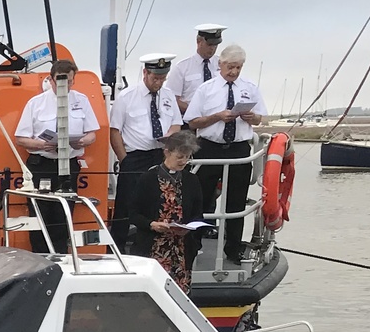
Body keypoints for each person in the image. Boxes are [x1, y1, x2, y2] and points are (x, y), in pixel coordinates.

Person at [183, 43, 268, 266]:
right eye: (230, 67)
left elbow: (261, 117)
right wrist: (217, 117)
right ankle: (194, 246)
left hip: (239, 149)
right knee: (200, 200)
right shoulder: (206, 89)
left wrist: (252, 118)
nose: (234, 72)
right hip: (210, 147)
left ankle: (232, 250)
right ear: (220, 64)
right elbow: (192, 121)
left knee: (236, 203)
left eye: (238, 68)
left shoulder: (249, 87)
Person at [12, 57, 100, 255]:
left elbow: (93, 134)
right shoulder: (36, 103)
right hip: (42, 164)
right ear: (50, 80)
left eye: (69, 81)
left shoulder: (81, 100)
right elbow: (21, 138)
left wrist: (83, 141)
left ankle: (62, 257)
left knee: (64, 215)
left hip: (69, 164)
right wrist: (42, 144)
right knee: (40, 216)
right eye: (61, 81)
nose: (65, 85)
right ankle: (40, 257)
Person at [108, 53, 182, 250]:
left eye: (162, 78)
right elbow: (115, 130)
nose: (158, 82)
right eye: (155, 78)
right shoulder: (127, 97)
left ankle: (153, 246)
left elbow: (176, 123)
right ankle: (117, 247)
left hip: (161, 155)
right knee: (125, 205)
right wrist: (124, 159)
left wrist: (170, 136)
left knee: (160, 201)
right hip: (135, 156)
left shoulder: (168, 97)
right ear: (145, 73)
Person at [124, 130, 203, 290]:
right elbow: (132, 213)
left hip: (181, 249)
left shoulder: (192, 180)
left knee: (181, 293)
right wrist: (151, 224)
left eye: (187, 157)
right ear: (167, 152)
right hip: (153, 246)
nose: (183, 161)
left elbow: (198, 213)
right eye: (179, 156)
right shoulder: (148, 179)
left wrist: (189, 230)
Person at [165, 23, 226, 114]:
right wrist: (195, 111)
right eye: (209, 44)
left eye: (215, 45)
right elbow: (171, 98)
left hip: (218, 121)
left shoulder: (223, 65)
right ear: (199, 41)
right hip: (189, 122)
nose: (212, 48)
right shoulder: (182, 68)